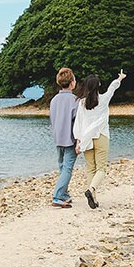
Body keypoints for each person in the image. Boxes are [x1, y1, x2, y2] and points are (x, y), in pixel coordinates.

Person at [74, 70, 127, 209]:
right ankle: (91, 190)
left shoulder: (82, 103)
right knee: (101, 169)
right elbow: (112, 87)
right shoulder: (104, 99)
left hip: (86, 138)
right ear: (98, 85)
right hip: (101, 136)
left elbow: (78, 123)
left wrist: (78, 141)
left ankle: (94, 199)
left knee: (91, 168)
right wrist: (120, 78)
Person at [49, 67, 79, 209]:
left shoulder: (54, 100)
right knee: (67, 168)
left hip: (58, 137)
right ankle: (58, 196)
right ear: (72, 82)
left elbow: (52, 119)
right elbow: (77, 122)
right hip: (70, 138)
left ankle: (64, 194)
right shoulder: (75, 100)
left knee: (62, 166)